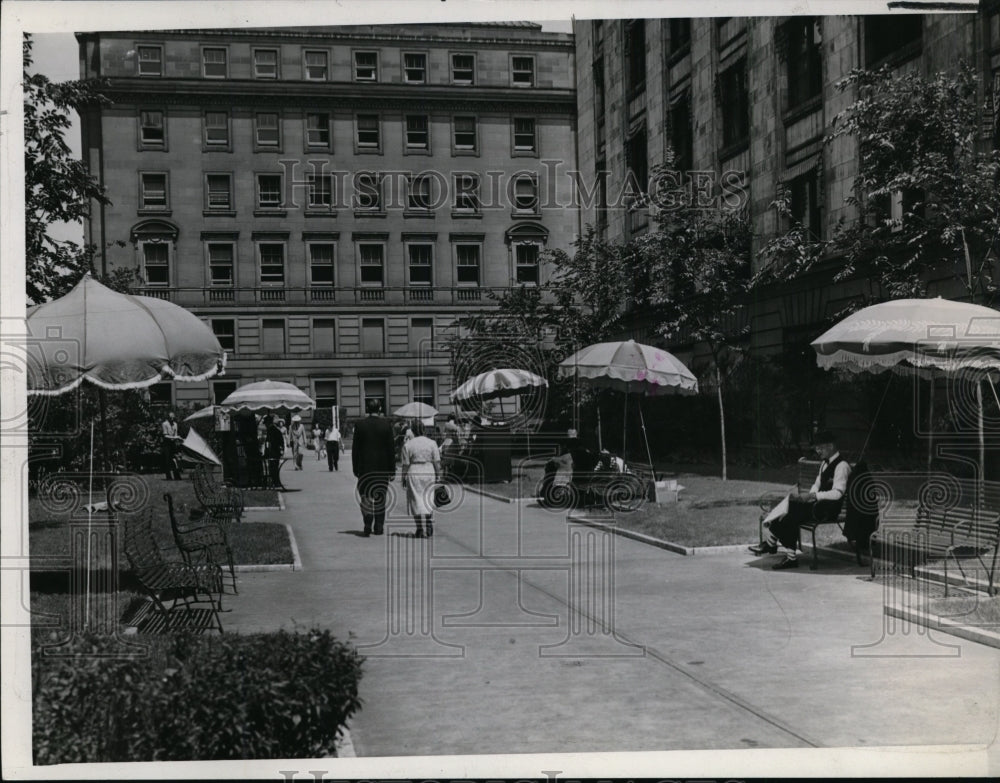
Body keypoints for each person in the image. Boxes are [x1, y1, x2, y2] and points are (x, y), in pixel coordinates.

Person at [750, 430, 851, 569]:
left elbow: (838, 493)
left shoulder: (842, 466)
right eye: (816, 447)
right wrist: (810, 496)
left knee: (791, 509)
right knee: (791, 509)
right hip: (818, 505)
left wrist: (813, 496)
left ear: (831, 446)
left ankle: (772, 543)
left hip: (829, 509)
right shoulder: (824, 464)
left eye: (820, 447)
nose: (817, 450)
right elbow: (817, 484)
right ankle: (786, 555)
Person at [352, 399, 396, 536]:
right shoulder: (386, 425)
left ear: (367, 409)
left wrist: (355, 468)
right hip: (382, 469)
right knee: (380, 498)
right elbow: (391, 449)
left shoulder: (360, 425)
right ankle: (378, 527)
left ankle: (367, 519)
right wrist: (392, 469)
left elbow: (355, 449)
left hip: (365, 468)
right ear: (380, 408)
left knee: (365, 495)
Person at [400, 420, 442, 538]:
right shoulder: (432, 443)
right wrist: (438, 476)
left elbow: (405, 464)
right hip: (428, 471)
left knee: (416, 500)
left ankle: (419, 528)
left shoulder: (408, 445)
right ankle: (428, 524)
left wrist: (403, 477)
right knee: (428, 498)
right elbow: (436, 462)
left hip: (414, 471)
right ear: (424, 429)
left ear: (412, 430)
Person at [160, 411, 183, 480]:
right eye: (170, 418)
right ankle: (168, 476)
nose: (172, 419)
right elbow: (165, 436)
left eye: (173, 417)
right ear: (168, 418)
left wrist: (179, 439)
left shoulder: (175, 424)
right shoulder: (164, 424)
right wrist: (175, 437)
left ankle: (177, 476)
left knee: (175, 459)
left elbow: (175, 434)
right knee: (167, 461)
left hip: (173, 444)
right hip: (166, 444)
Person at [264, 415, 286, 488]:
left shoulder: (271, 430)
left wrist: (266, 452)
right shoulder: (275, 430)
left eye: (265, 423)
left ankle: (275, 482)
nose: (265, 425)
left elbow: (268, 443)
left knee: (273, 468)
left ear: (268, 423)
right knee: (275, 468)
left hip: (273, 452)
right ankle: (275, 482)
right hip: (276, 452)